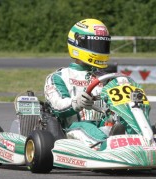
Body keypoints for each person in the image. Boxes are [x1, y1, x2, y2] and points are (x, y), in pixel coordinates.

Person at [44, 18, 111, 146]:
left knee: (120, 123)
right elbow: (57, 106)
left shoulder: (107, 78)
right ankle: (106, 145)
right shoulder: (59, 77)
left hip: (104, 125)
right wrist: (76, 102)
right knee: (86, 127)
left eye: (103, 46)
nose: (100, 50)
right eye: (96, 46)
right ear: (77, 44)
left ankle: (147, 139)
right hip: (72, 130)